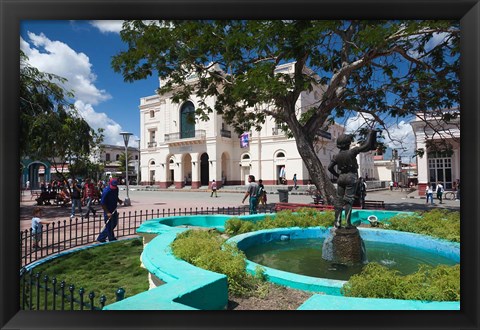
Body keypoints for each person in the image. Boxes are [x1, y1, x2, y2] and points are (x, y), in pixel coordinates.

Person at [328, 129, 377, 228]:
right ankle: (347, 223)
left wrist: (337, 175)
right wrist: (371, 133)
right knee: (348, 200)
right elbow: (366, 146)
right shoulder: (352, 152)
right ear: (348, 144)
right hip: (351, 177)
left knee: (339, 200)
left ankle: (337, 222)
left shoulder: (336, 156)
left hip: (341, 178)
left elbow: (329, 168)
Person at [96, 178, 123, 243]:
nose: (114, 187)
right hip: (107, 210)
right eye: (113, 185)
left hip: (114, 209)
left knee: (114, 224)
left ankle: (101, 238)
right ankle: (111, 238)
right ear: (109, 183)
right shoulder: (106, 191)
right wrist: (107, 212)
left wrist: (119, 200)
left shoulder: (116, 189)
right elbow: (102, 203)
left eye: (115, 185)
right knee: (109, 225)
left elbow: (116, 196)